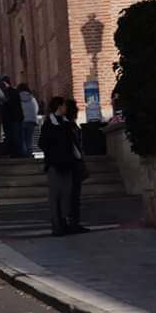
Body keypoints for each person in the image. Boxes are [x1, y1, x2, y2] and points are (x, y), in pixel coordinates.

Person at [38, 97, 84, 236]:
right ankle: (57, 224)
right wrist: (54, 154)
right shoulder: (49, 124)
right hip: (55, 164)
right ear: (59, 106)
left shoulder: (65, 123)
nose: (65, 108)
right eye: (63, 106)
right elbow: (43, 143)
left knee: (66, 195)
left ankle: (64, 222)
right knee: (56, 195)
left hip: (67, 164)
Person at [64, 99, 89, 233]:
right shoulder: (70, 127)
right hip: (73, 164)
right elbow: (76, 147)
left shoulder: (69, 125)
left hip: (71, 164)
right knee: (73, 196)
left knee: (72, 196)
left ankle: (72, 222)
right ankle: (73, 222)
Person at [1, 77, 24, 157]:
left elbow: (6, 105)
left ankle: (14, 153)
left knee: (12, 136)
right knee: (17, 137)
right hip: (16, 118)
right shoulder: (15, 92)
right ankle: (18, 153)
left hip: (10, 119)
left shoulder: (5, 93)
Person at [18, 84, 39, 157]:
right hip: (31, 121)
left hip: (21, 121)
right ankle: (29, 154)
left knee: (22, 139)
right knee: (29, 139)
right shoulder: (32, 98)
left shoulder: (17, 98)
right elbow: (36, 108)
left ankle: (24, 154)